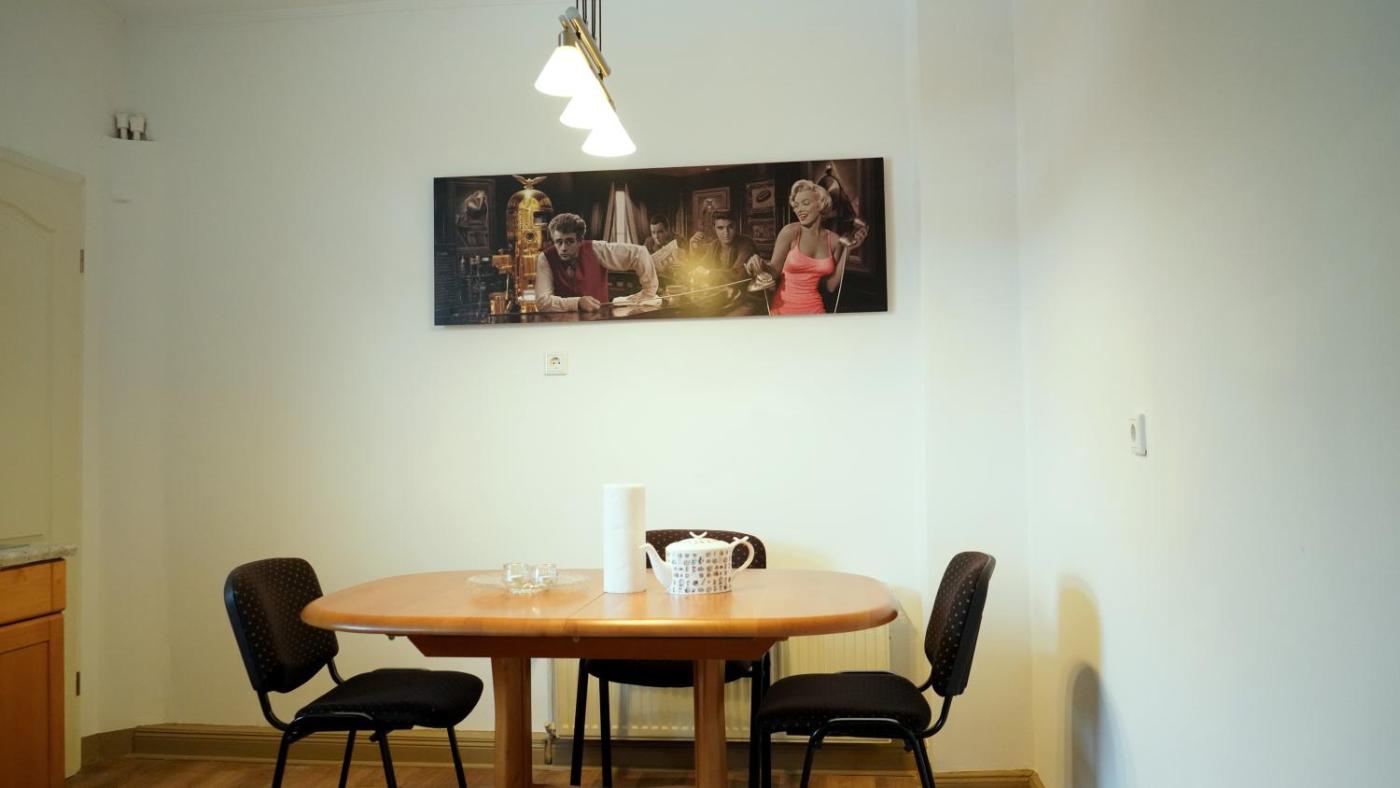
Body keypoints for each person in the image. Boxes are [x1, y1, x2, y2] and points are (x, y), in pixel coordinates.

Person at [747, 180, 866, 315]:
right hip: (783, 310)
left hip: (815, 309)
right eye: (796, 205)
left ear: (820, 204)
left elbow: (831, 286)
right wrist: (760, 265)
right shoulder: (790, 232)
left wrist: (847, 250)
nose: (799, 210)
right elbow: (773, 271)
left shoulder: (834, 240)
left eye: (805, 203)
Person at [535, 213, 659, 313]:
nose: (563, 248)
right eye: (558, 242)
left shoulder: (596, 249)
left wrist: (649, 292)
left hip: (600, 323)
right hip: (562, 326)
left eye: (569, 241)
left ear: (580, 241)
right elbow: (542, 302)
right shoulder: (545, 258)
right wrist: (577, 303)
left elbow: (639, 253)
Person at [689, 210, 759, 277]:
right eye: (720, 228)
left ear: (736, 226)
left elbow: (737, 275)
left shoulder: (746, 244)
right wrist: (692, 249)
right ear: (714, 228)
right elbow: (700, 267)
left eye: (730, 227)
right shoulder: (714, 245)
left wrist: (708, 273)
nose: (726, 233)